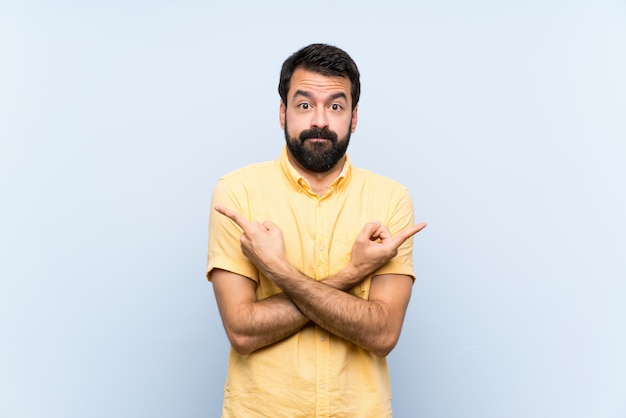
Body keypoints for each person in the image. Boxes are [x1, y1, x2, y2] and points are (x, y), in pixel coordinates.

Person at [206, 43, 427, 418]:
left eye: (336, 106)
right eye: (304, 104)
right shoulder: (237, 193)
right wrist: (353, 274)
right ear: (283, 112)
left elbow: (383, 334)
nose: (320, 121)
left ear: (354, 117)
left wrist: (277, 270)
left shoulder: (390, 199)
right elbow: (243, 332)